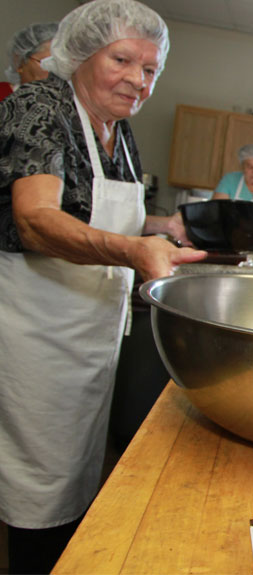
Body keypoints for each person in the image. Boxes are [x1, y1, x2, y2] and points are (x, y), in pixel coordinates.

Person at [0, 1, 207, 572]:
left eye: (149, 70)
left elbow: (95, 212)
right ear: (81, 52)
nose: (137, 81)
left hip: (91, 331)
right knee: (39, 487)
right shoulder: (40, 106)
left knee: (77, 474)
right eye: (122, 60)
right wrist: (137, 252)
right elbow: (37, 219)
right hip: (38, 335)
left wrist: (160, 227)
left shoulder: (117, 131)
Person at [1, 21, 59, 101]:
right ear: (19, 63)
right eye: (49, 63)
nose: (59, 71)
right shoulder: (3, 96)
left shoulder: (72, 100)